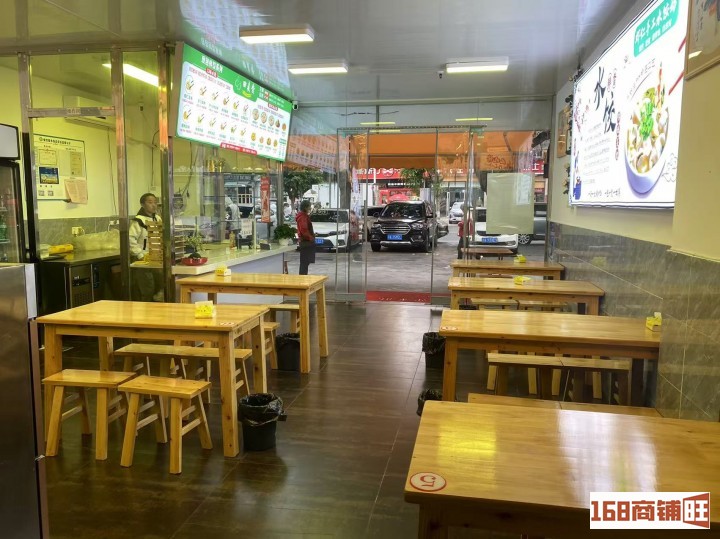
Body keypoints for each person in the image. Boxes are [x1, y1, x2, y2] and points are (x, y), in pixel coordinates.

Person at [129, 192, 164, 302]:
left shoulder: (157, 218)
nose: (153, 205)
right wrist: (140, 255)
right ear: (142, 204)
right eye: (150, 202)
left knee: (159, 288)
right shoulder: (138, 221)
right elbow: (130, 239)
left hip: (156, 259)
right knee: (147, 289)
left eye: (155, 202)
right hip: (142, 260)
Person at [295, 199, 315, 275]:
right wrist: (311, 238)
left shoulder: (303, 216)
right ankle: (302, 277)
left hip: (305, 241)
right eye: (309, 206)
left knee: (305, 262)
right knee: (304, 262)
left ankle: (303, 276)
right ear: (305, 207)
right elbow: (304, 230)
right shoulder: (303, 217)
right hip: (305, 241)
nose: (310, 208)